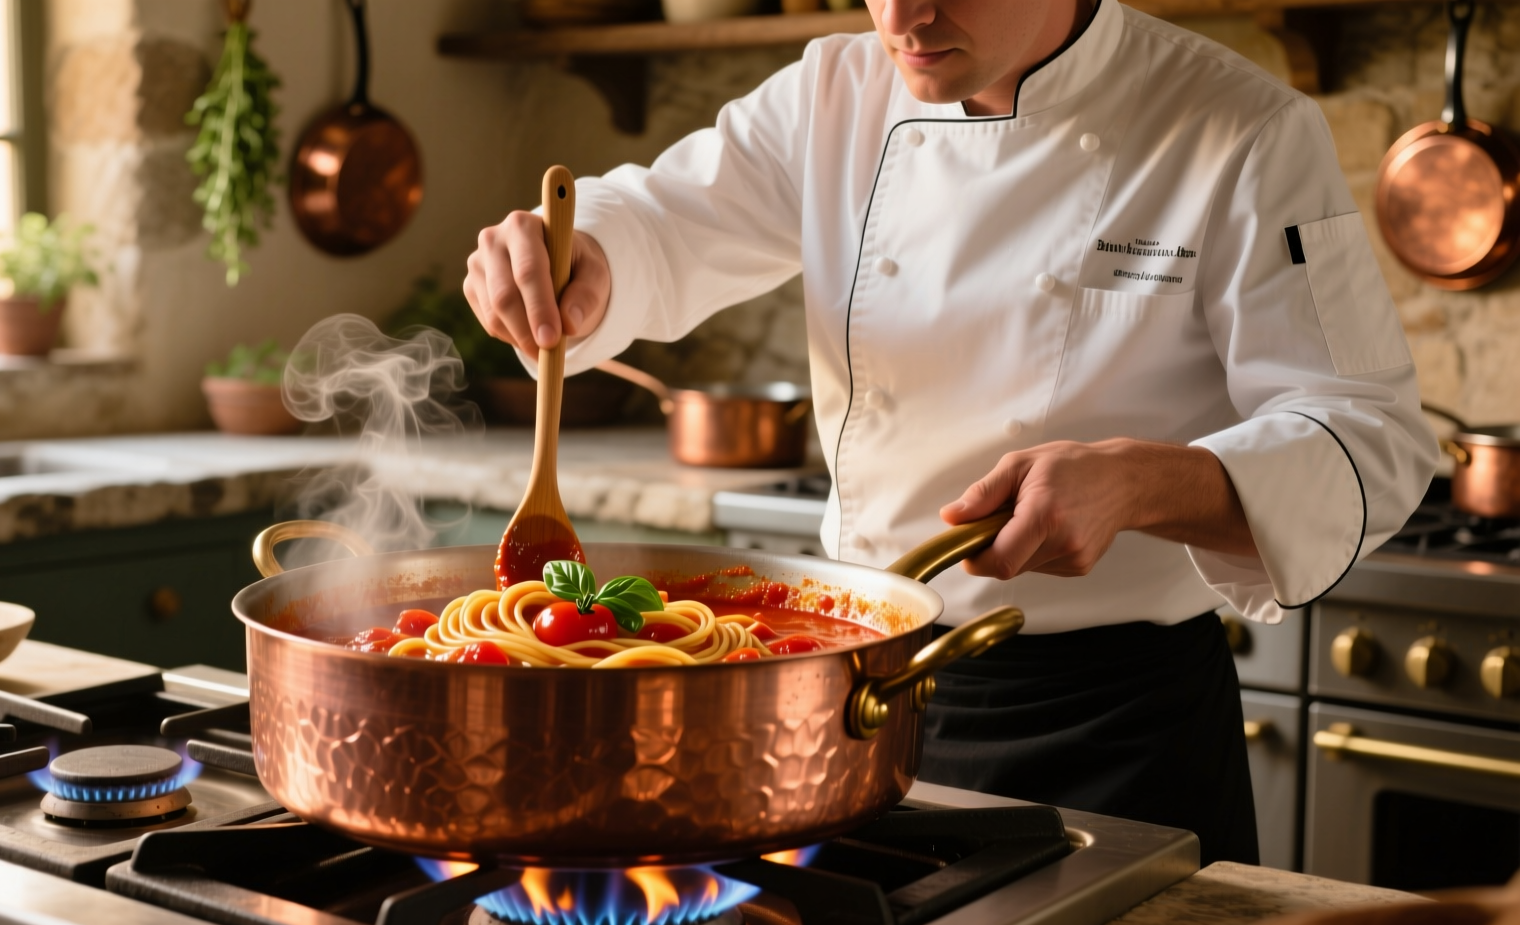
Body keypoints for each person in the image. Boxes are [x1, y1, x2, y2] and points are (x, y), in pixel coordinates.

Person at [462, 0, 1437, 865]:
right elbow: (658, 223)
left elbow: (1371, 437)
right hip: (850, 703)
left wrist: (1146, 482)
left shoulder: (1238, 128)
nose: (906, 16)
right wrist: (579, 255)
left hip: (1111, 729)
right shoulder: (831, 92)